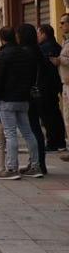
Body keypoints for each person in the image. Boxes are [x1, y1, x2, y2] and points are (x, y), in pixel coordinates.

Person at [0, 27, 44, 180]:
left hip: (6, 99)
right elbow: (33, 75)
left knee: (10, 134)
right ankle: (35, 166)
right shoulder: (26, 54)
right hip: (23, 98)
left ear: (2, 38)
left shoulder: (2, 55)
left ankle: (12, 168)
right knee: (28, 133)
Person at [19, 24, 50, 176]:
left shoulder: (26, 52)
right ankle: (37, 162)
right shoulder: (37, 50)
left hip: (30, 95)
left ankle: (36, 164)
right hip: (38, 94)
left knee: (32, 130)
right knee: (35, 129)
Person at [37, 25, 67, 152]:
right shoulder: (58, 46)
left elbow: (41, 68)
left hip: (45, 86)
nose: (37, 36)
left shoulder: (43, 49)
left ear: (44, 34)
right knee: (55, 113)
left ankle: (52, 142)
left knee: (47, 115)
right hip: (55, 84)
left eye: (38, 34)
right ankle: (60, 141)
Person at [56, 13, 69, 162]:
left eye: (63, 23)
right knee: (67, 117)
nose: (61, 26)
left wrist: (60, 60)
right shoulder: (65, 40)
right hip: (65, 83)